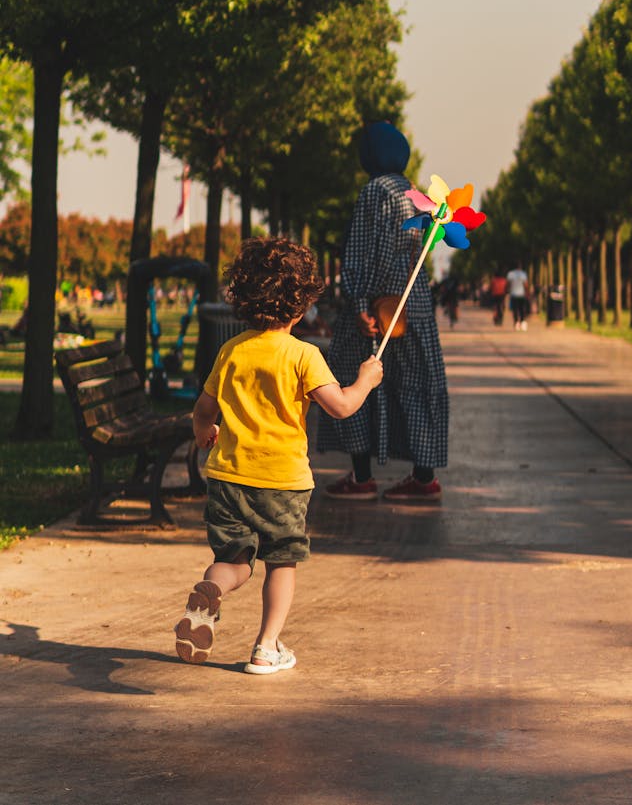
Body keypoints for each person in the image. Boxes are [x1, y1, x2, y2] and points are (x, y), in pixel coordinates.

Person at [175, 237, 383, 674]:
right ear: (301, 303)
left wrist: (202, 433)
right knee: (281, 562)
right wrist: (366, 379)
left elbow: (203, 409)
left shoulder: (231, 351)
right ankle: (266, 648)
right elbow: (341, 406)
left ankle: (210, 590)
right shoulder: (304, 355)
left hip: (228, 479)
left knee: (233, 563)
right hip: (282, 482)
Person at [317, 121, 449, 503]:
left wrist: (358, 304)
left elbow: (361, 253)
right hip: (414, 309)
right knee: (416, 389)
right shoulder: (415, 193)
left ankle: (361, 476)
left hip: (377, 312)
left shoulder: (375, 191)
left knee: (351, 379)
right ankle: (424, 478)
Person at [507, 261, 529, 330]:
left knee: (515, 309)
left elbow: (508, 284)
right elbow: (525, 284)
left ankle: (516, 323)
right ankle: (522, 322)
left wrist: (508, 291)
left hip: (513, 294)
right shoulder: (523, 274)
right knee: (522, 309)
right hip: (521, 294)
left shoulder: (510, 274)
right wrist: (527, 292)